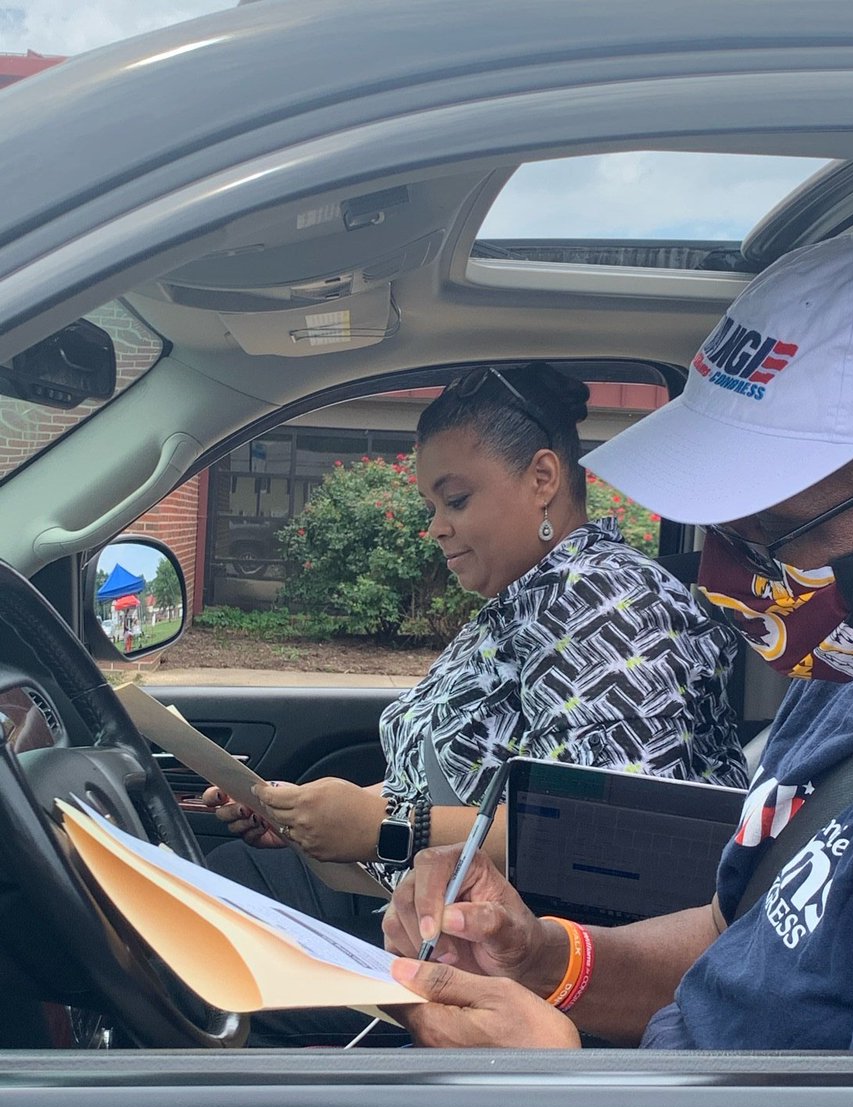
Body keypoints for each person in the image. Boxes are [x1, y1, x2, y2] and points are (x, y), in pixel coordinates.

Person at [383, 230, 853, 1052]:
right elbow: (732, 938)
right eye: (719, 522)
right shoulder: (843, 685)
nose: (724, 568)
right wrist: (539, 959)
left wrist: (558, 1084)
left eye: (773, 524)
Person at [204, 360, 747, 1043]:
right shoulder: (526, 599)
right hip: (432, 909)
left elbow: (604, 843)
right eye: (431, 507)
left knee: (213, 957)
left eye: (455, 500)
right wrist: (311, 818)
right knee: (223, 892)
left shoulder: (609, 606)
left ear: (543, 479)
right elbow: (465, 782)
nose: (436, 527)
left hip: (518, 960)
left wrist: (385, 826)